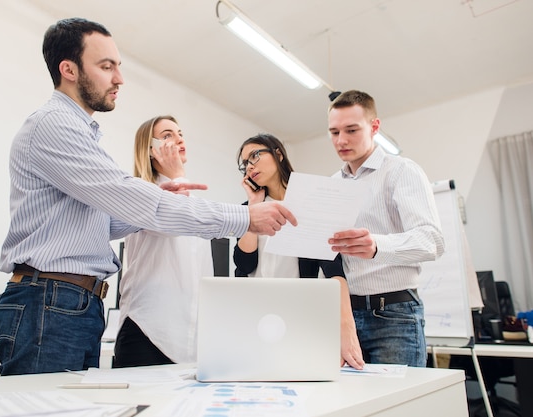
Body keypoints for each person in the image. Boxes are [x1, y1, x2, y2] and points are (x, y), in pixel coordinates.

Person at [0, 17, 296, 376]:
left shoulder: (84, 133)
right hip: (53, 300)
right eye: (107, 67)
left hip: (75, 303)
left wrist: (158, 192)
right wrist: (245, 217)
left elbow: (106, 222)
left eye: (118, 67)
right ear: (69, 69)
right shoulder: (54, 125)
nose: (119, 78)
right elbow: (141, 206)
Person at [326, 90, 445, 367]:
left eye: (351, 130)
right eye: (334, 132)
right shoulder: (331, 184)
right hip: (345, 318)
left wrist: (377, 246)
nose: (341, 140)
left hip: (394, 315)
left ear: (374, 127)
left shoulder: (402, 171)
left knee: (400, 408)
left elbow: (432, 241)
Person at [233, 133, 364, 370]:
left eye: (255, 156)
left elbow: (334, 270)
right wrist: (253, 206)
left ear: (278, 154)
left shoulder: (310, 203)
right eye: (245, 163)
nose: (250, 166)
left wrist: (346, 329)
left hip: (298, 312)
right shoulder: (249, 209)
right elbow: (244, 264)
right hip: (256, 311)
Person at [114, 115, 213, 367]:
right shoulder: (140, 191)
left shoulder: (193, 201)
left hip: (188, 338)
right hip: (147, 330)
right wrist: (177, 174)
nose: (179, 139)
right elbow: (173, 222)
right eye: (168, 135)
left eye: (180, 133)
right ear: (150, 150)